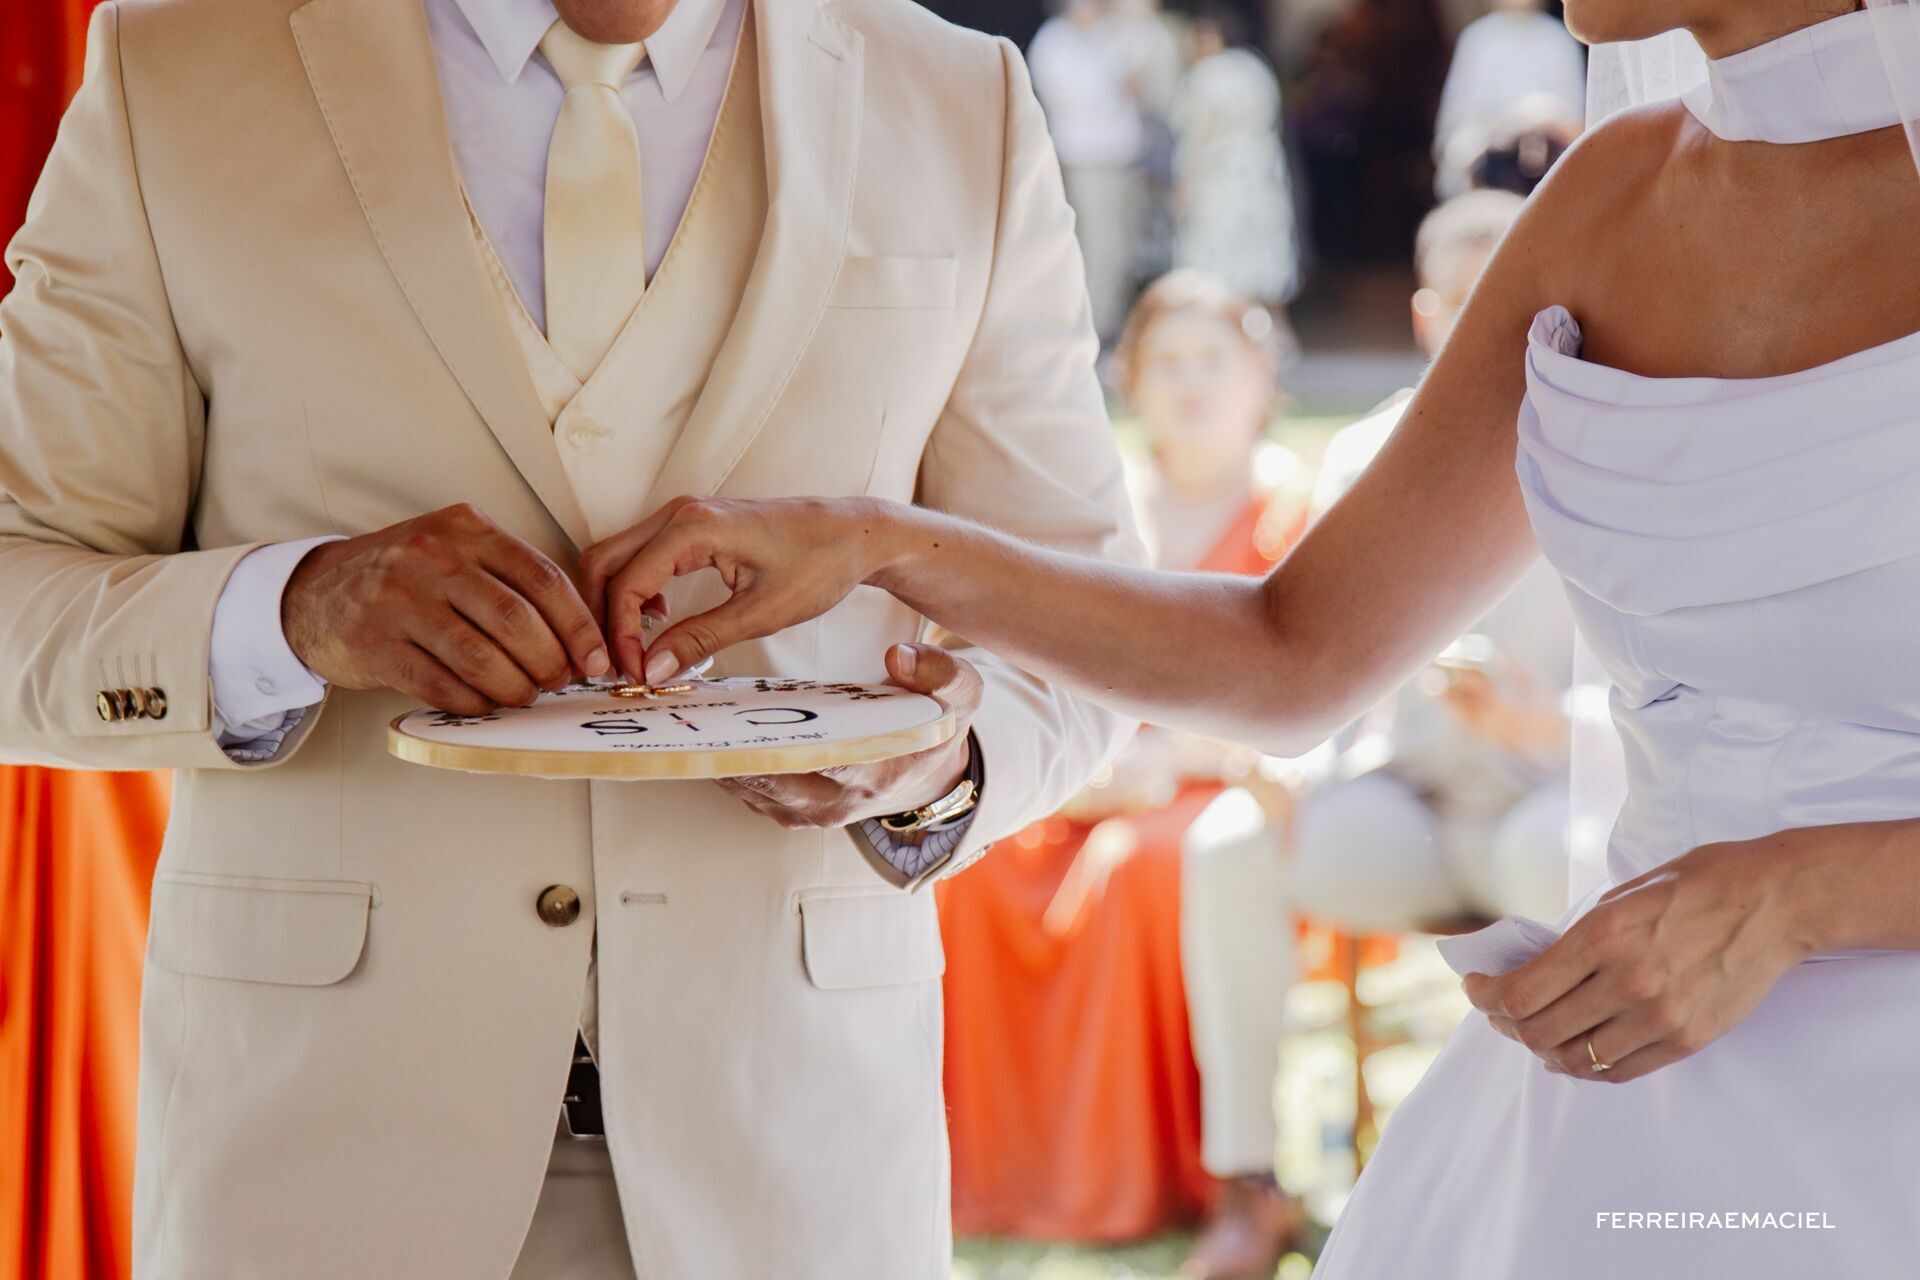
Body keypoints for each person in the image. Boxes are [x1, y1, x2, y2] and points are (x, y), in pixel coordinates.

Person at [583, 2, 1920, 1273]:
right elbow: (1292, 653)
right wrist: (882, 544)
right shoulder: (1607, 200)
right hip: (1633, 1086)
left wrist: (1795, 893)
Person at [0, 0, 1143, 1274]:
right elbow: (19, 582)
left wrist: (941, 765)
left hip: (797, 1158)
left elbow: (1089, 623)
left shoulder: (957, 95)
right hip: (319, 1160)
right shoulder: (176, 68)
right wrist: (293, 608)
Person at [936, 271, 1310, 1275]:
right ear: (1131, 381)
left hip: (1224, 787)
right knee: (977, 863)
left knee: (1142, 868)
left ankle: (1176, 1172)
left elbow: (1303, 698)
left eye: (1212, 361)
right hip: (1092, 766)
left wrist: (1169, 761)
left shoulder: (1292, 508)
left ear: (1260, 376)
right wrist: (1088, 764)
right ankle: (1004, 1161)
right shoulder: (1100, 513)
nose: (1190, 384)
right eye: (1167, 362)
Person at [1297, 189, 1576, 933]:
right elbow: (1318, 640)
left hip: (1550, 790)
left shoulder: (1598, 454)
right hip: (1411, 800)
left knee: (1550, 860)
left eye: (1505, 304)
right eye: (1462, 301)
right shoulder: (1360, 456)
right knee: (1265, 844)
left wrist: (1553, 725)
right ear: (1427, 316)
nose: (1484, 328)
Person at [1028, 0, 1156, 342]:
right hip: (1088, 160)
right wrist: (1120, 83)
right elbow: (1079, 101)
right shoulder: (1054, 42)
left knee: (1124, 246)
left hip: (1123, 157)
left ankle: (1108, 322)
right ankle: (1094, 328)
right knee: (1100, 245)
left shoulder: (1111, 35)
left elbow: (1145, 70)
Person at [1170, 8, 1301, 310]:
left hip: (1221, 178)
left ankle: (1224, 320)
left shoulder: (1208, 74)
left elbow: (1202, 136)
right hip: (1261, 175)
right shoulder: (1255, 68)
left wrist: (1186, 185)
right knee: (1260, 251)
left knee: (1219, 255)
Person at [1432, 0, 1586, 197]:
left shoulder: (1557, 39)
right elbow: (1456, 126)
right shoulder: (1478, 41)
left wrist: (1540, 118)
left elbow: (1575, 122)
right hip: (1491, 167)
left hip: (1547, 169)